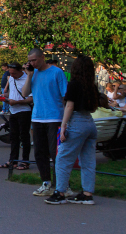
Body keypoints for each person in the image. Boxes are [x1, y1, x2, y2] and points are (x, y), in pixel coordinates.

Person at [47, 56, 101, 205]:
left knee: (63, 158)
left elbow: (69, 106)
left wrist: (63, 126)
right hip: (90, 122)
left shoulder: (74, 84)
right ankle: (87, 194)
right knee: (88, 161)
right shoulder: (92, 86)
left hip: (76, 123)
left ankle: (60, 192)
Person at [22, 47, 67, 196]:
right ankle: (46, 182)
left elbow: (64, 96)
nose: (32, 63)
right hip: (37, 117)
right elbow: (24, 93)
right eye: (30, 61)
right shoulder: (32, 74)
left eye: (34, 60)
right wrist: (28, 75)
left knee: (56, 153)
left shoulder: (56, 72)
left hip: (55, 117)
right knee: (40, 151)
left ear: (42, 57)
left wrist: (66, 121)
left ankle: (60, 185)